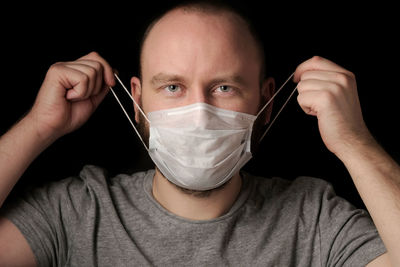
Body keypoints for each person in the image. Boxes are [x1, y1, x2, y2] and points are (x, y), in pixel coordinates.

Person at [0, 1, 399, 266]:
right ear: (137, 100)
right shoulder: (79, 212)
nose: (198, 114)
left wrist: (354, 142)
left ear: (266, 104)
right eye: (172, 87)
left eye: (224, 87)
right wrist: (39, 127)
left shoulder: (313, 220)